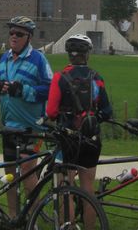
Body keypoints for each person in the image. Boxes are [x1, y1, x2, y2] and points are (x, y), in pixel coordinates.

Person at [0, 16, 53, 217]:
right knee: (10, 176)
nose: (14, 37)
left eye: (19, 34)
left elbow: (50, 88)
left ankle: (32, 218)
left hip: (31, 128)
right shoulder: (4, 59)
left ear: (28, 37)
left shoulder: (38, 59)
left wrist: (24, 90)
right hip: (9, 125)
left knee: (27, 173)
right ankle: (13, 217)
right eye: (11, 33)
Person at [46, 34, 112, 202]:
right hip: (91, 139)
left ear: (69, 55)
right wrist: (92, 118)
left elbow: (51, 112)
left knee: (64, 187)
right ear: (87, 55)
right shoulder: (97, 78)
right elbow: (107, 110)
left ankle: (68, 226)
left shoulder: (59, 77)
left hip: (67, 139)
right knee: (88, 189)